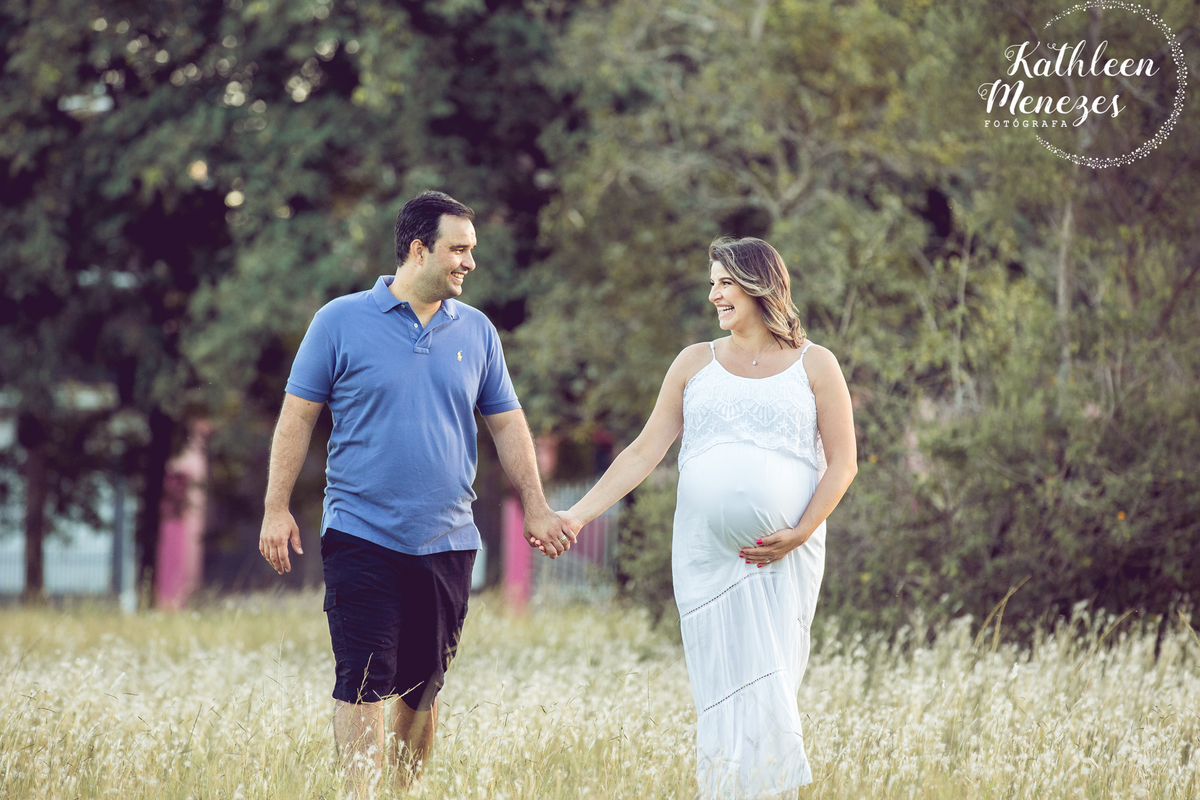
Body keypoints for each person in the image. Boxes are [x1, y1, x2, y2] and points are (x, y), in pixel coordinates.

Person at [257, 191, 574, 792]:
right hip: (359, 532)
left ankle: (405, 792)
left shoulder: (477, 330)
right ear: (419, 249)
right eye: (459, 249)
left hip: (448, 540)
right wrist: (276, 508)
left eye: (471, 250)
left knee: (421, 690)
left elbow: (507, 423)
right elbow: (297, 417)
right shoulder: (339, 321)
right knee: (362, 679)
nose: (469, 262)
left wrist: (536, 506)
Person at [554, 237, 857, 799]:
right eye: (712, 283)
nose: (714, 294)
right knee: (722, 690)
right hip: (705, 557)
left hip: (782, 557)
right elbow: (643, 453)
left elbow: (843, 463)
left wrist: (801, 532)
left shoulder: (816, 364)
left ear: (760, 285)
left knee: (772, 682)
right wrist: (576, 516)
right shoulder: (695, 362)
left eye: (725, 282)